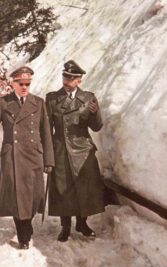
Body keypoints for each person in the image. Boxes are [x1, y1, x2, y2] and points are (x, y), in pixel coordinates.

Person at [0, 66, 54, 249]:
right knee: (16, 197)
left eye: (27, 84)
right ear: (12, 83)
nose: (24, 87)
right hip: (12, 157)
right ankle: (23, 235)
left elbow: (46, 133)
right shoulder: (2, 103)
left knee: (33, 196)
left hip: (33, 156)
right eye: (20, 84)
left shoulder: (38, 103)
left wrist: (49, 160)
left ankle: (27, 224)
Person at [46, 60, 105, 241]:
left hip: (82, 150)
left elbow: (97, 127)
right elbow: (47, 129)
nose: (67, 80)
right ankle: (65, 227)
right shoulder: (52, 99)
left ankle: (82, 223)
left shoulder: (88, 98)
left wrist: (94, 114)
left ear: (79, 80)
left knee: (84, 188)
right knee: (63, 189)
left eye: (72, 78)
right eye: (65, 76)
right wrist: (47, 155)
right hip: (61, 150)